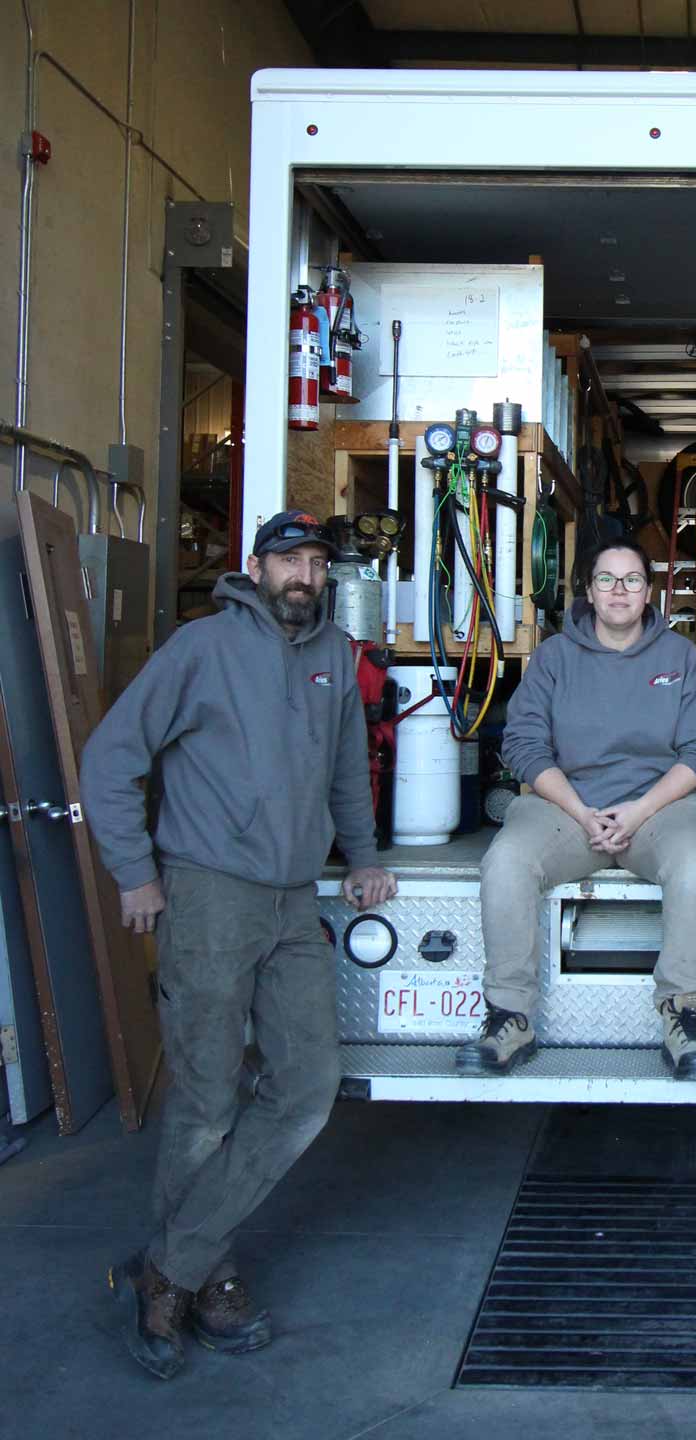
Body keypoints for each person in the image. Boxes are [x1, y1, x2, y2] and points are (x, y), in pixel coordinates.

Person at [80, 510, 397, 1380]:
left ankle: (169, 1268)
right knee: (208, 1098)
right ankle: (206, 1281)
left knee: (305, 1088)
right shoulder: (200, 649)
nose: (304, 575)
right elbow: (111, 760)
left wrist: (363, 858)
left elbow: (343, 772)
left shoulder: (338, 658)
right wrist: (135, 874)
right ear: (254, 567)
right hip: (211, 895)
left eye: (317, 564)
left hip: (296, 902)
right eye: (289, 559)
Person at [461, 539, 696, 1079]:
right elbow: (524, 745)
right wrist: (583, 812)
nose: (619, 591)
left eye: (632, 579)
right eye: (606, 579)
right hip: (567, 807)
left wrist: (639, 810)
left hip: (662, 809)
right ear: (588, 591)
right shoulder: (555, 658)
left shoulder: (680, 658)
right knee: (507, 859)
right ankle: (510, 1015)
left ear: (649, 592)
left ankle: (685, 1019)